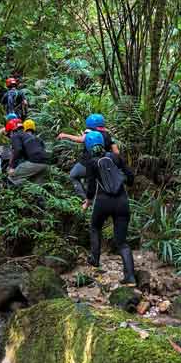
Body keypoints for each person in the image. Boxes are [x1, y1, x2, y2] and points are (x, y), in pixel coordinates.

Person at [82, 129, 136, 284]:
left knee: (95, 226)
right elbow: (130, 176)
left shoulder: (91, 163)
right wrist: (125, 183)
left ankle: (95, 259)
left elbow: (91, 186)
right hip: (122, 202)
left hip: (102, 202)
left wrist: (87, 201)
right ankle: (130, 277)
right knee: (122, 242)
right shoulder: (115, 157)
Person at [59, 112, 119, 197]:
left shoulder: (90, 132)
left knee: (73, 175)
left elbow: (81, 139)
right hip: (104, 163)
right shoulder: (108, 134)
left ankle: (84, 198)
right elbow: (116, 152)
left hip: (88, 163)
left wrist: (65, 135)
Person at [8, 119, 51, 185]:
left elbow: (18, 150)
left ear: (12, 131)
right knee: (38, 187)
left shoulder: (16, 135)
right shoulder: (37, 138)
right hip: (47, 163)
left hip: (35, 162)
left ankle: (13, 192)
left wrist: (12, 167)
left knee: (12, 176)